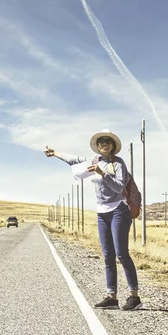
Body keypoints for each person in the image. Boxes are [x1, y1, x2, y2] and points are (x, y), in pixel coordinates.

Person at [44, 128, 142, 311]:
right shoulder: (94, 161)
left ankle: (134, 297)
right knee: (108, 256)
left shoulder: (118, 163)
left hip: (119, 210)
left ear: (113, 146)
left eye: (108, 141)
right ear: (98, 146)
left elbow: (119, 187)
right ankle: (112, 297)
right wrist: (55, 153)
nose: (104, 144)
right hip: (102, 213)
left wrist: (102, 173)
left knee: (122, 253)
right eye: (101, 142)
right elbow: (73, 160)